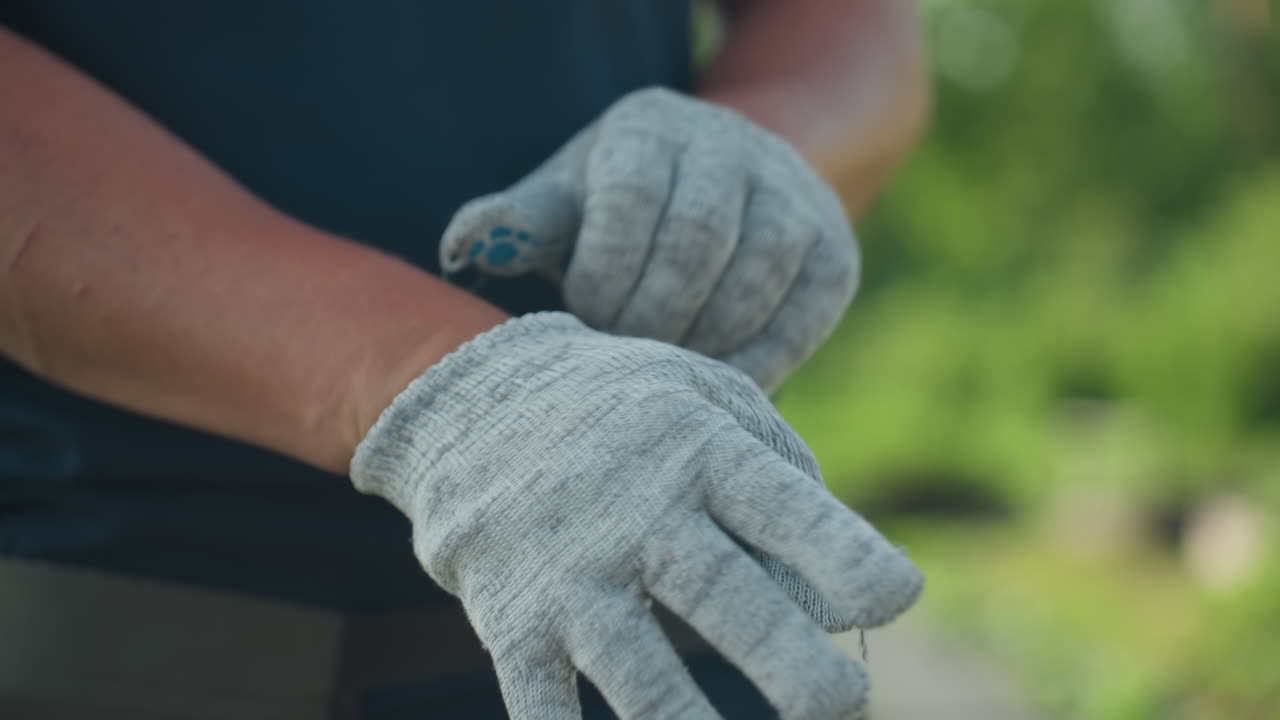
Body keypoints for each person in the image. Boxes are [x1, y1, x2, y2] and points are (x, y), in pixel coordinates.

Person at [0, 1, 928, 718]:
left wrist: (750, 155)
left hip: (654, 587)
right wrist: (447, 387)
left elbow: (853, 24)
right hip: (122, 628)